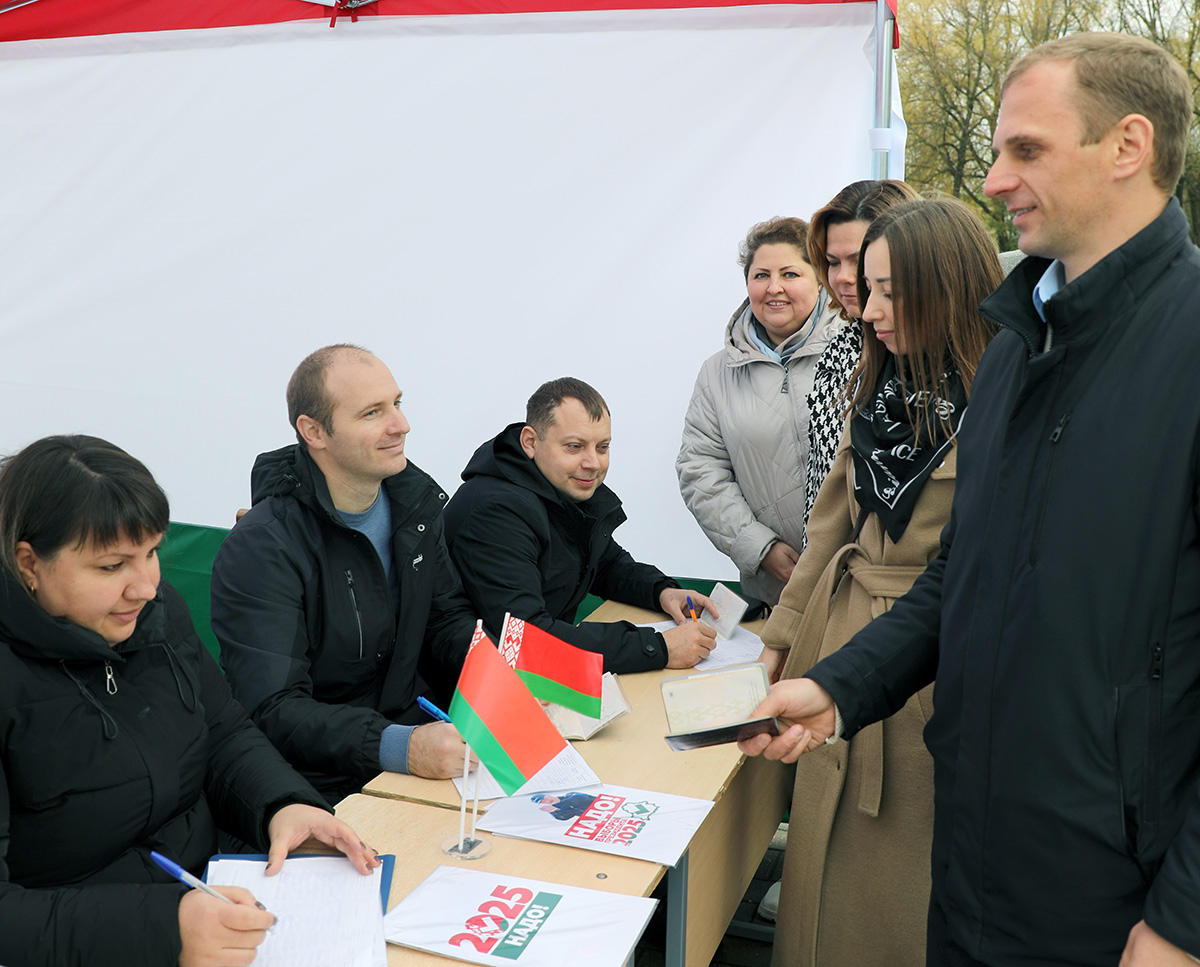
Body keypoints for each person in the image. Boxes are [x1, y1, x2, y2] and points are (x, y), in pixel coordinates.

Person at [740, 33, 1200, 966]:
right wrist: (838, 686)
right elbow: (966, 573)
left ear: (1128, 146)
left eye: (1025, 149)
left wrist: (1186, 916)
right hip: (969, 865)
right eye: (997, 151)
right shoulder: (1016, 348)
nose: (993, 180)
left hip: (1115, 902)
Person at [0, 435, 379, 967]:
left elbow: (223, 732)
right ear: (28, 564)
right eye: (111, 567)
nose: (146, 587)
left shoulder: (153, 617)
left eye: (152, 553)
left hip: (215, 898)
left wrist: (282, 805)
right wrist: (163, 929)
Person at [757, 198, 1001, 966]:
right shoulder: (878, 385)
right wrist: (780, 641)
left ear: (951, 286)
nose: (872, 308)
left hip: (929, 673)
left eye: (895, 290)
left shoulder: (1006, 400)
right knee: (818, 886)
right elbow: (829, 531)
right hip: (838, 647)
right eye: (869, 286)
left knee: (892, 901)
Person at [211, 344, 479, 805]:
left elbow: (444, 620)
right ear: (313, 431)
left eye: (397, 403)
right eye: (373, 413)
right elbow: (272, 708)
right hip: (317, 785)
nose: (401, 425)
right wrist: (401, 746)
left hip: (421, 751)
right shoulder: (263, 547)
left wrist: (507, 677)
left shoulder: (415, 506)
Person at [443, 377, 717, 672]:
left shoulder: (559, 484)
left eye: (602, 447)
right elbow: (526, 637)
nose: (593, 463)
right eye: (574, 447)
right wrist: (658, 648)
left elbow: (607, 565)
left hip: (528, 679)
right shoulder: (495, 512)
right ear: (530, 442)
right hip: (463, 697)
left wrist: (662, 592)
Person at [675, 216, 842, 605]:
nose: (774, 288)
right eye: (761, 275)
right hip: (777, 591)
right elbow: (699, 470)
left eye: (790, 273)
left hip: (855, 578)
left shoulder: (859, 350)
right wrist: (761, 548)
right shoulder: (718, 373)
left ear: (820, 278)